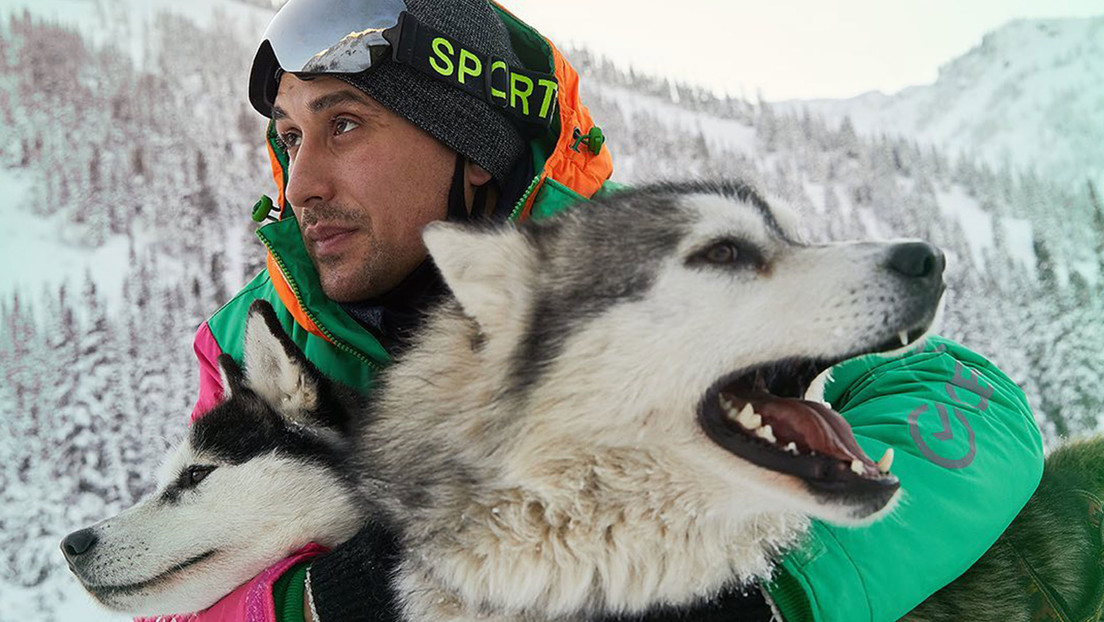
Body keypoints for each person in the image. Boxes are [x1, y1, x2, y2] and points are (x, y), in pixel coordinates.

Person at [169, 0, 1045, 620]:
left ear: (469, 151)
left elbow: (972, 405)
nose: (302, 181)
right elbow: (168, 591)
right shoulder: (262, 343)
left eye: (345, 124)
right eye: (289, 136)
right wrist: (334, 601)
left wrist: (763, 598)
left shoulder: (642, 261)